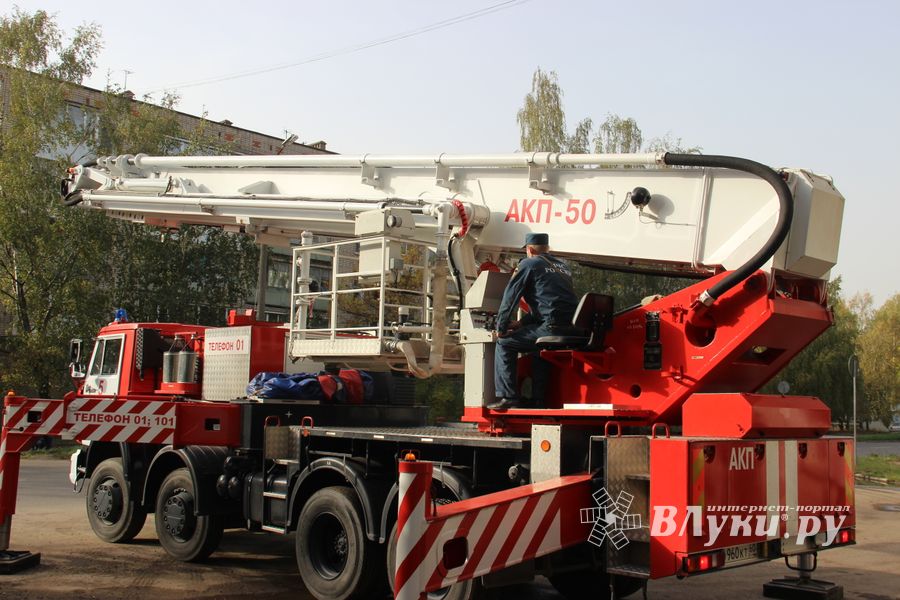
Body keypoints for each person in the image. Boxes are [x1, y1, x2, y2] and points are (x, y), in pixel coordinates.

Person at [490, 233, 579, 410]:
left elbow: (511, 297)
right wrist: (521, 324)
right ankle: (539, 400)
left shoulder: (529, 264)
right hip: (571, 328)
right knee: (540, 347)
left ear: (529, 250)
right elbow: (551, 303)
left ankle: (508, 397)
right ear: (547, 248)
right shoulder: (563, 267)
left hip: (552, 328)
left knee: (505, 343)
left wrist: (501, 327)